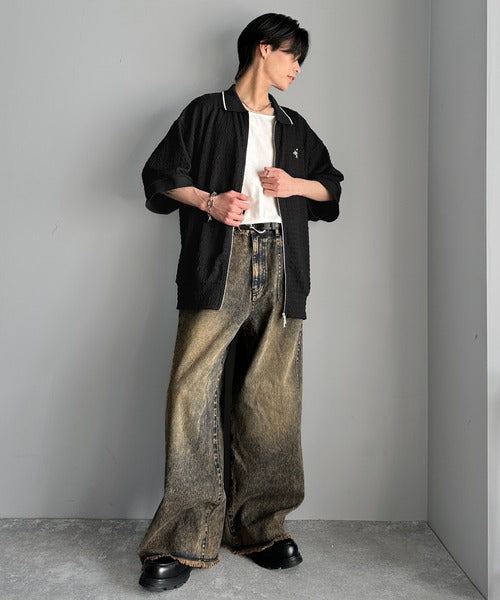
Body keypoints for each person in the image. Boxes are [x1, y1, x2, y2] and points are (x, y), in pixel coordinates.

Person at [137, 12, 344, 593]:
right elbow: (159, 176)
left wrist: (293, 185)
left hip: (282, 265)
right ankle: (185, 537)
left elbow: (331, 188)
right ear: (263, 48)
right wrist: (209, 201)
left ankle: (260, 528)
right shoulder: (207, 112)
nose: (298, 68)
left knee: (271, 398)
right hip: (219, 262)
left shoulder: (295, 126)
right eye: (293, 55)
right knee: (191, 392)